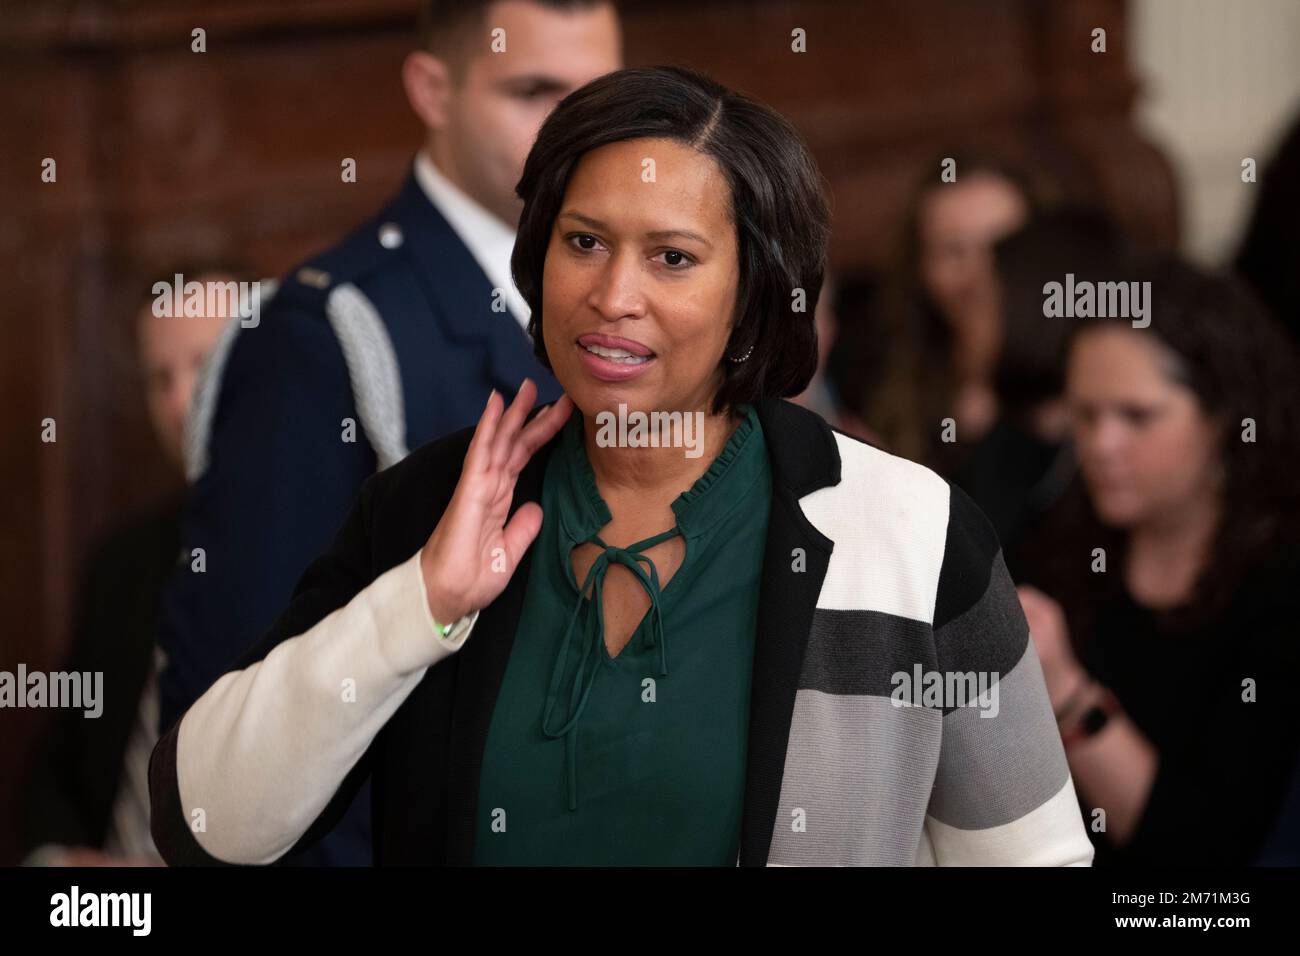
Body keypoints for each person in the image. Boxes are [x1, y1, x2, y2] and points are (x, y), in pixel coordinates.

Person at [149, 66, 1093, 866]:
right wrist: (419, 607)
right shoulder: (429, 510)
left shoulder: (909, 535)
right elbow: (208, 824)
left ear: (755, 296)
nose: (612, 296)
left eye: (673, 258)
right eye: (584, 242)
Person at [155, 0, 622, 866]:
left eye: (600, 96)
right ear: (433, 88)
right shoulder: (319, 333)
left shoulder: (620, 308)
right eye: (535, 93)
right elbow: (246, 714)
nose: (580, 132)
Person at [1016, 256, 1300, 865]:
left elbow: (1203, 856)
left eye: (1136, 417)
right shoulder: (1066, 538)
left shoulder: (1277, 586)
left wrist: (1067, 693)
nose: (1101, 446)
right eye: (1086, 416)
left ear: (1224, 417)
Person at [23, 265, 243, 866]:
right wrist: (60, 863)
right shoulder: (124, 560)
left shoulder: (342, 546)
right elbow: (59, 769)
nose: (177, 401)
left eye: (202, 362)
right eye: (158, 378)